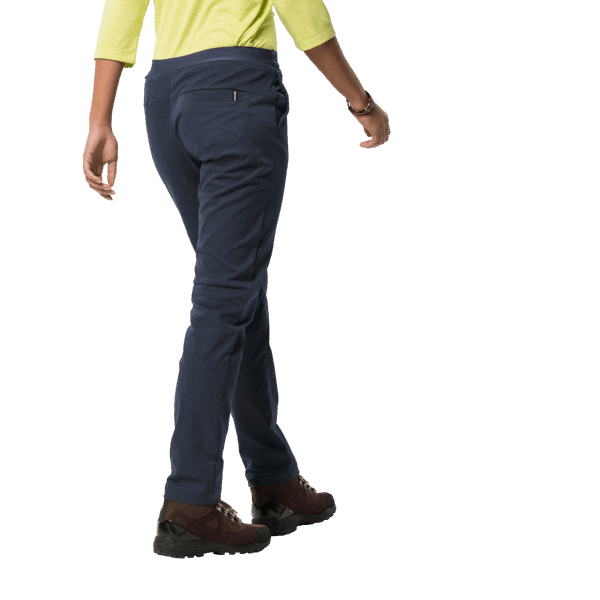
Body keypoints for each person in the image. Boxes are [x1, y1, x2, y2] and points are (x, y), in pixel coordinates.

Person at [82, 0, 390, 559]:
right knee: (224, 299)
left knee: (238, 288)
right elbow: (306, 17)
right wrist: (361, 102)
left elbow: (121, 15)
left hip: (166, 102)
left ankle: (274, 480)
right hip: (235, 95)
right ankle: (189, 503)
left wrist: (100, 121)